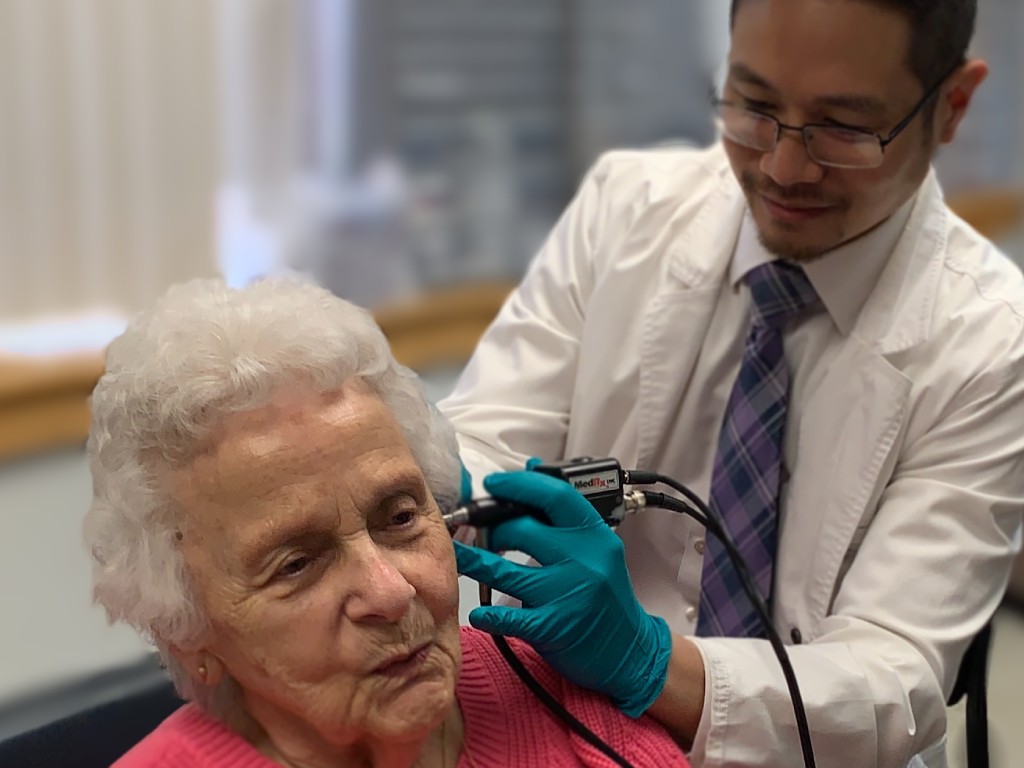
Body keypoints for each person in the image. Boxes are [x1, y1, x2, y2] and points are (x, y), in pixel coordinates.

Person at [442, 1, 1024, 767]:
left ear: (951, 105)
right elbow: (482, 442)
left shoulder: (992, 341)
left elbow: (896, 680)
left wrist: (649, 660)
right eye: (754, 105)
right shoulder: (626, 211)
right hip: (572, 719)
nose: (783, 168)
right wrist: (449, 492)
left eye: (843, 127)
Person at [84, 278, 689, 767]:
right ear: (189, 630)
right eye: (296, 563)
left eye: (400, 516)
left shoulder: (562, 695)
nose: (392, 591)